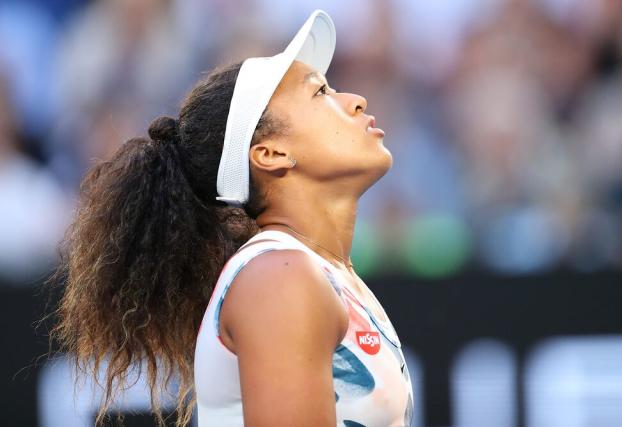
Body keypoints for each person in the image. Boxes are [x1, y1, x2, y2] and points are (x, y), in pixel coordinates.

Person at [48, 9, 413, 427]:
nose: (356, 100)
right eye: (320, 93)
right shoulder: (281, 277)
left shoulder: (314, 273)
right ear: (271, 154)